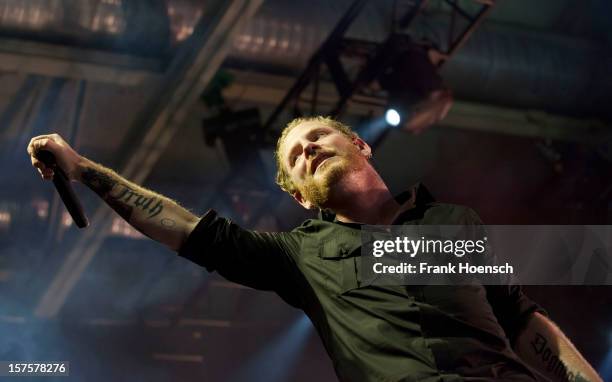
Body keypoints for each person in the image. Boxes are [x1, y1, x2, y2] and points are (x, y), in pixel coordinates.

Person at [27, 116, 602, 381]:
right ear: (303, 198)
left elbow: (522, 318)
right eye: (295, 156)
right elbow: (187, 229)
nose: (306, 150)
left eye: (316, 137)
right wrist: (83, 170)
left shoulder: (453, 221)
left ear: (358, 144)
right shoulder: (301, 255)